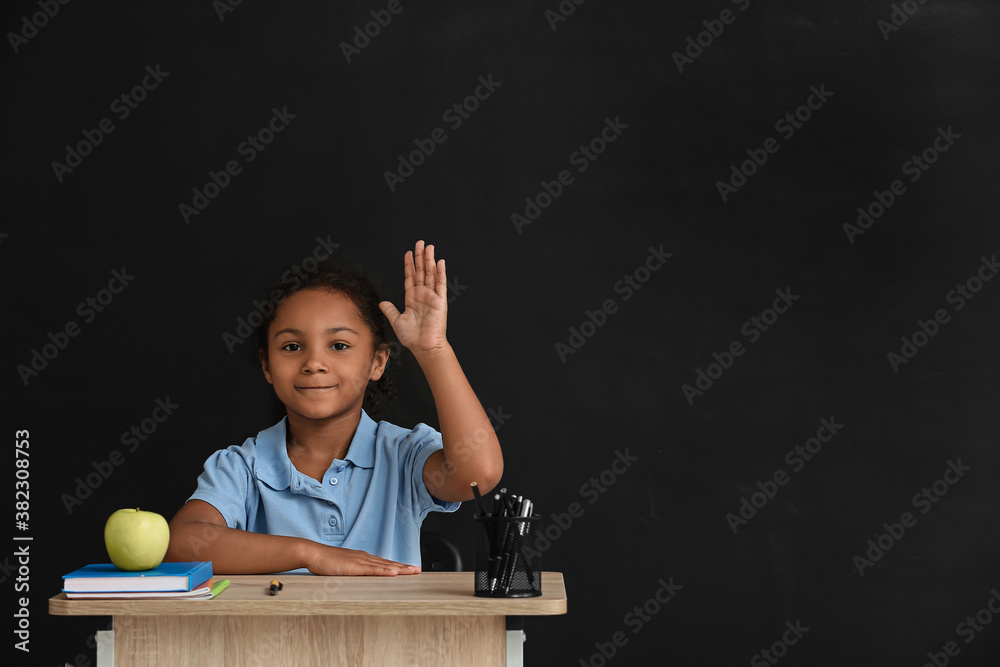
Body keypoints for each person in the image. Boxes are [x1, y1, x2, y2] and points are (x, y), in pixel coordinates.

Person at [165, 240, 503, 575]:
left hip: (390, 632)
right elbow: (182, 544)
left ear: (377, 361)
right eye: (292, 346)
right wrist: (309, 554)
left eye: (339, 345)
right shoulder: (243, 467)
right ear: (267, 366)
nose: (314, 362)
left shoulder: (401, 455)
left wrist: (432, 350)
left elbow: (478, 473)